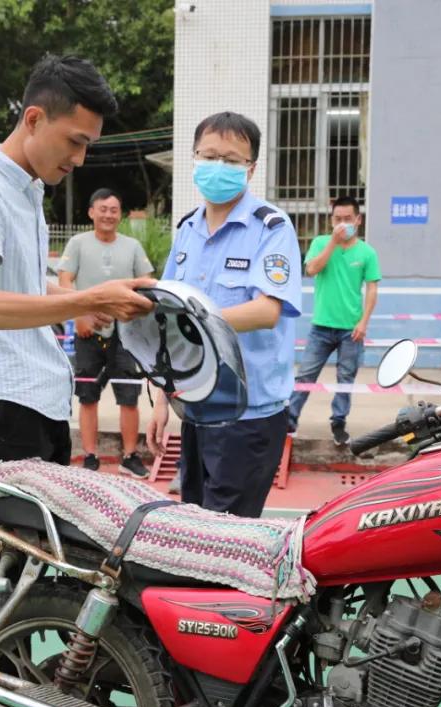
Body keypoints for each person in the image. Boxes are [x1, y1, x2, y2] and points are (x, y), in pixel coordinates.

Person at [0, 55, 153, 464]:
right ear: (34, 119)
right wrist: (87, 302)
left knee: (44, 531)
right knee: (16, 531)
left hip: (40, 402)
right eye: (75, 141)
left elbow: (25, 284)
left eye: (87, 145)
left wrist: (97, 301)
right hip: (6, 409)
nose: (80, 158)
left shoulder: (27, 191)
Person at [147, 111, 302, 517]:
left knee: (226, 534)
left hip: (247, 414)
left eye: (232, 160)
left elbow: (268, 311)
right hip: (195, 405)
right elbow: (167, 317)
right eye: (210, 155)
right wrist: (163, 401)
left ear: (250, 169)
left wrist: (195, 319)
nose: (219, 167)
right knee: (195, 523)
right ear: (194, 158)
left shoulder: (271, 228)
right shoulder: (187, 229)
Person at [57, 188, 154, 477]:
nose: (108, 215)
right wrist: (79, 315)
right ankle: (90, 456)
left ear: (120, 214)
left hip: (127, 336)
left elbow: (146, 282)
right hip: (88, 332)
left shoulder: (133, 246)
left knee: (129, 396)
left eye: (113, 210)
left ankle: (129, 455)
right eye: (103, 209)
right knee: (87, 396)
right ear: (91, 212)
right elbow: (64, 279)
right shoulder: (77, 244)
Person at [286, 196, 380, 445]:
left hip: (351, 329)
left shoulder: (367, 252)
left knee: (345, 379)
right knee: (305, 375)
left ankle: (339, 423)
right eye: (337, 219)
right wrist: (333, 244)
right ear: (331, 220)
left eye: (347, 219)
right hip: (321, 326)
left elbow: (371, 289)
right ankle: (290, 420)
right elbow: (312, 269)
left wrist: (364, 322)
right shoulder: (320, 243)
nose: (342, 224)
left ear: (358, 220)